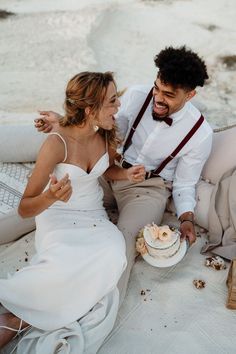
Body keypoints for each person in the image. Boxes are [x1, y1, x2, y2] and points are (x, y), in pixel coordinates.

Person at [34, 46, 213, 304]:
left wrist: (187, 218)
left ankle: (97, 306)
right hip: (108, 168)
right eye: (157, 88)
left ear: (191, 94)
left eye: (169, 95)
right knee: (50, 205)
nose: (158, 98)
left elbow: (185, 183)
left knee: (124, 240)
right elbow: (100, 130)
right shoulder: (137, 95)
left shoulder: (200, 133)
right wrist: (63, 123)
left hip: (148, 188)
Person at [0, 71, 139, 352]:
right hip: (58, 215)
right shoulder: (56, 144)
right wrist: (51, 196)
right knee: (63, 265)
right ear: (90, 110)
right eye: (112, 102)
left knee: (113, 254)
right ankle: (18, 318)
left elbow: (108, 169)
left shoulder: (106, 134)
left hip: (93, 216)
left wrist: (127, 175)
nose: (118, 107)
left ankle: (24, 317)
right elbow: (26, 207)